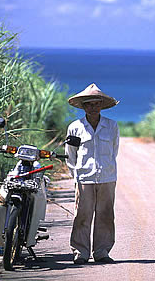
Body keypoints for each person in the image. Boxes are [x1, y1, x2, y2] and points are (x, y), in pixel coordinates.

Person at [65, 83, 120, 264]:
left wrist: (106, 168)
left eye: (97, 104)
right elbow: (70, 155)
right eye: (89, 104)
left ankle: (102, 251)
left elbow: (114, 151)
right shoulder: (75, 127)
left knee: (105, 214)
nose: (93, 107)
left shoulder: (112, 126)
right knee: (82, 215)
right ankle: (80, 252)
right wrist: (77, 175)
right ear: (83, 107)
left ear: (101, 105)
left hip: (107, 177)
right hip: (84, 178)